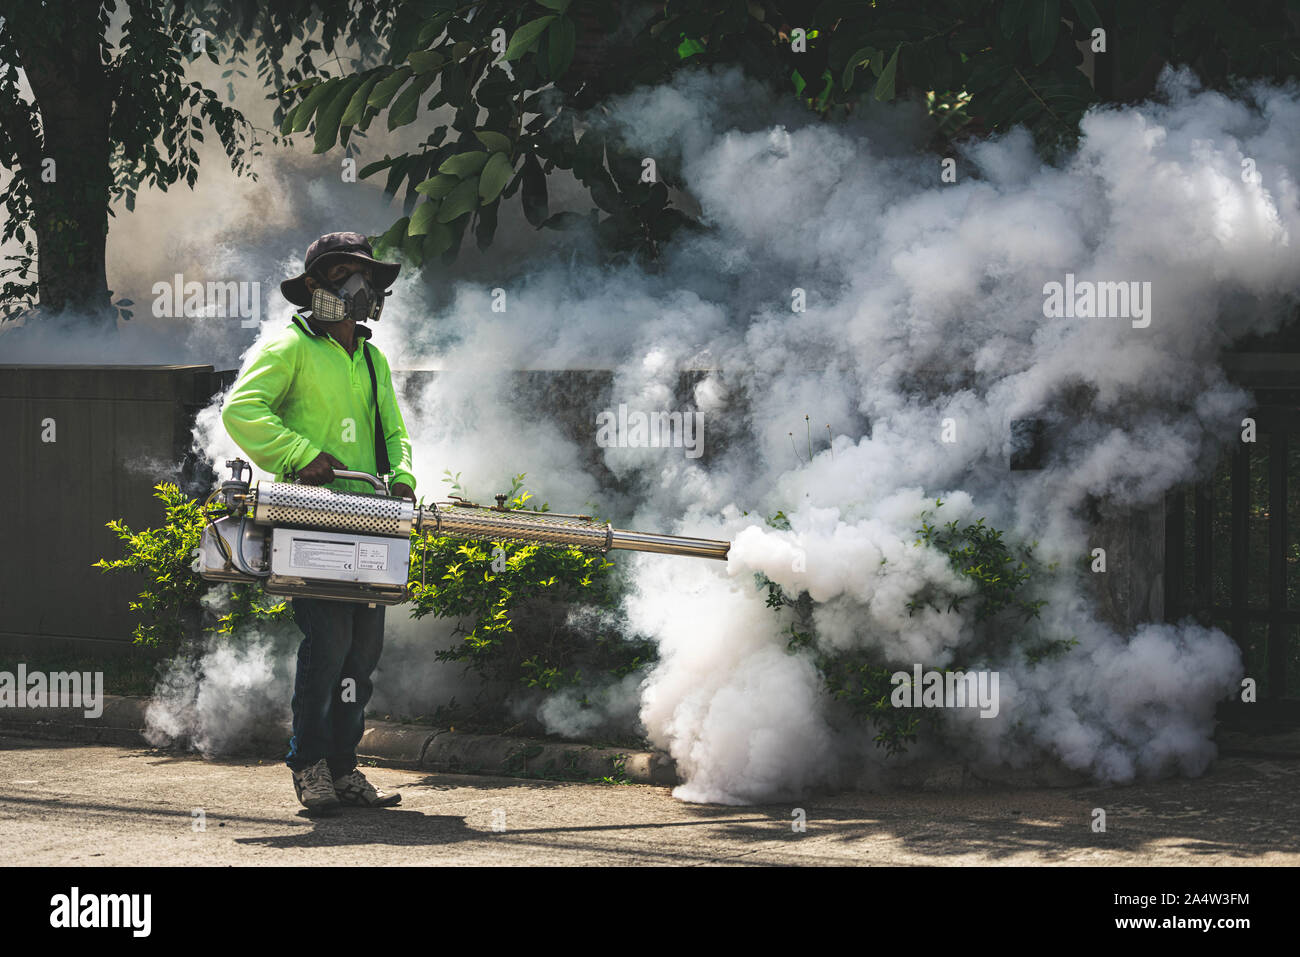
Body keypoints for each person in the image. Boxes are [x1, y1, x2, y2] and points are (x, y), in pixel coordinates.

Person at [221, 231, 417, 813]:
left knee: (363, 651)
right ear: (312, 287)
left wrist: (404, 474)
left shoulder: (372, 356)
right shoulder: (291, 347)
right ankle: (308, 765)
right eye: (340, 273)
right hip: (310, 522)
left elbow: (394, 433)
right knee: (328, 644)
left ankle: (344, 767)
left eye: (364, 274)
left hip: (373, 518)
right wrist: (300, 456)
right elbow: (242, 409)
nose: (355, 286)